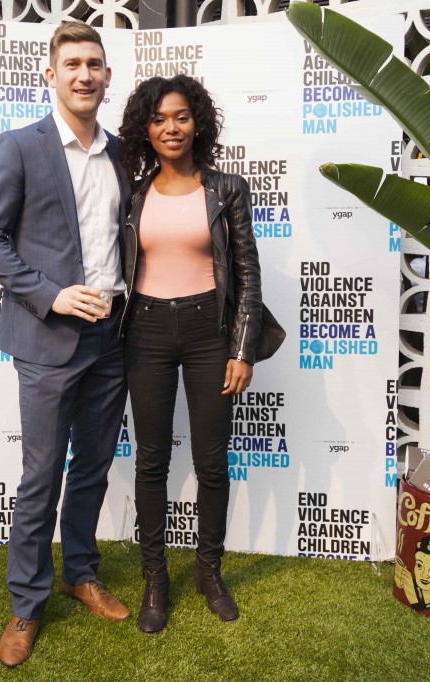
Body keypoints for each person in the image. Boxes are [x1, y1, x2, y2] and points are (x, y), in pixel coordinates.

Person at [0, 20, 131, 668]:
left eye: (94, 64)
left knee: (92, 467)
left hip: (112, 339)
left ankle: (81, 573)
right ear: (50, 73)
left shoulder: (123, 154)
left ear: (107, 75)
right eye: (72, 64)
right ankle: (26, 604)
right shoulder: (19, 146)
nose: (84, 75)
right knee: (41, 475)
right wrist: (51, 295)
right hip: (46, 340)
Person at [117, 74, 264, 633]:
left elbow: (247, 273)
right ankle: (156, 578)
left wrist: (242, 349)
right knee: (151, 461)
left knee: (211, 462)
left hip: (209, 333)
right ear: (145, 130)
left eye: (180, 116)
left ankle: (209, 571)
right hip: (146, 331)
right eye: (158, 119)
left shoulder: (227, 188)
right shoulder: (133, 193)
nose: (170, 127)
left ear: (197, 122)